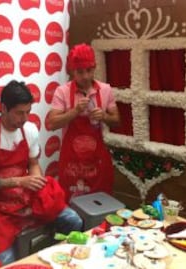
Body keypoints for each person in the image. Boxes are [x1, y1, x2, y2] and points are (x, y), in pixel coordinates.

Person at [0, 80, 83, 265]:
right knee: (8, 261)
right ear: (4, 108)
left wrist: (36, 179)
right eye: (19, 113)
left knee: (73, 221)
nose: (24, 118)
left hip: (25, 198)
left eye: (28, 112)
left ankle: (52, 260)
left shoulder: (29, 130)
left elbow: (33, 163)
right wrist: (19, 182)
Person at [47, 43, 120, 202]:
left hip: (97, 161)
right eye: (80, 72)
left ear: (94, 68)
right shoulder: (63, 92)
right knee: (71, 205)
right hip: (71, 164)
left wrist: (104, 117)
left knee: (100, 204)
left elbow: (117, 121)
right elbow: (52, 123)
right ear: (72, 71)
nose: (85, 76)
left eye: (89, 70)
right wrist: (74, 112)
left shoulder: (105, 89)